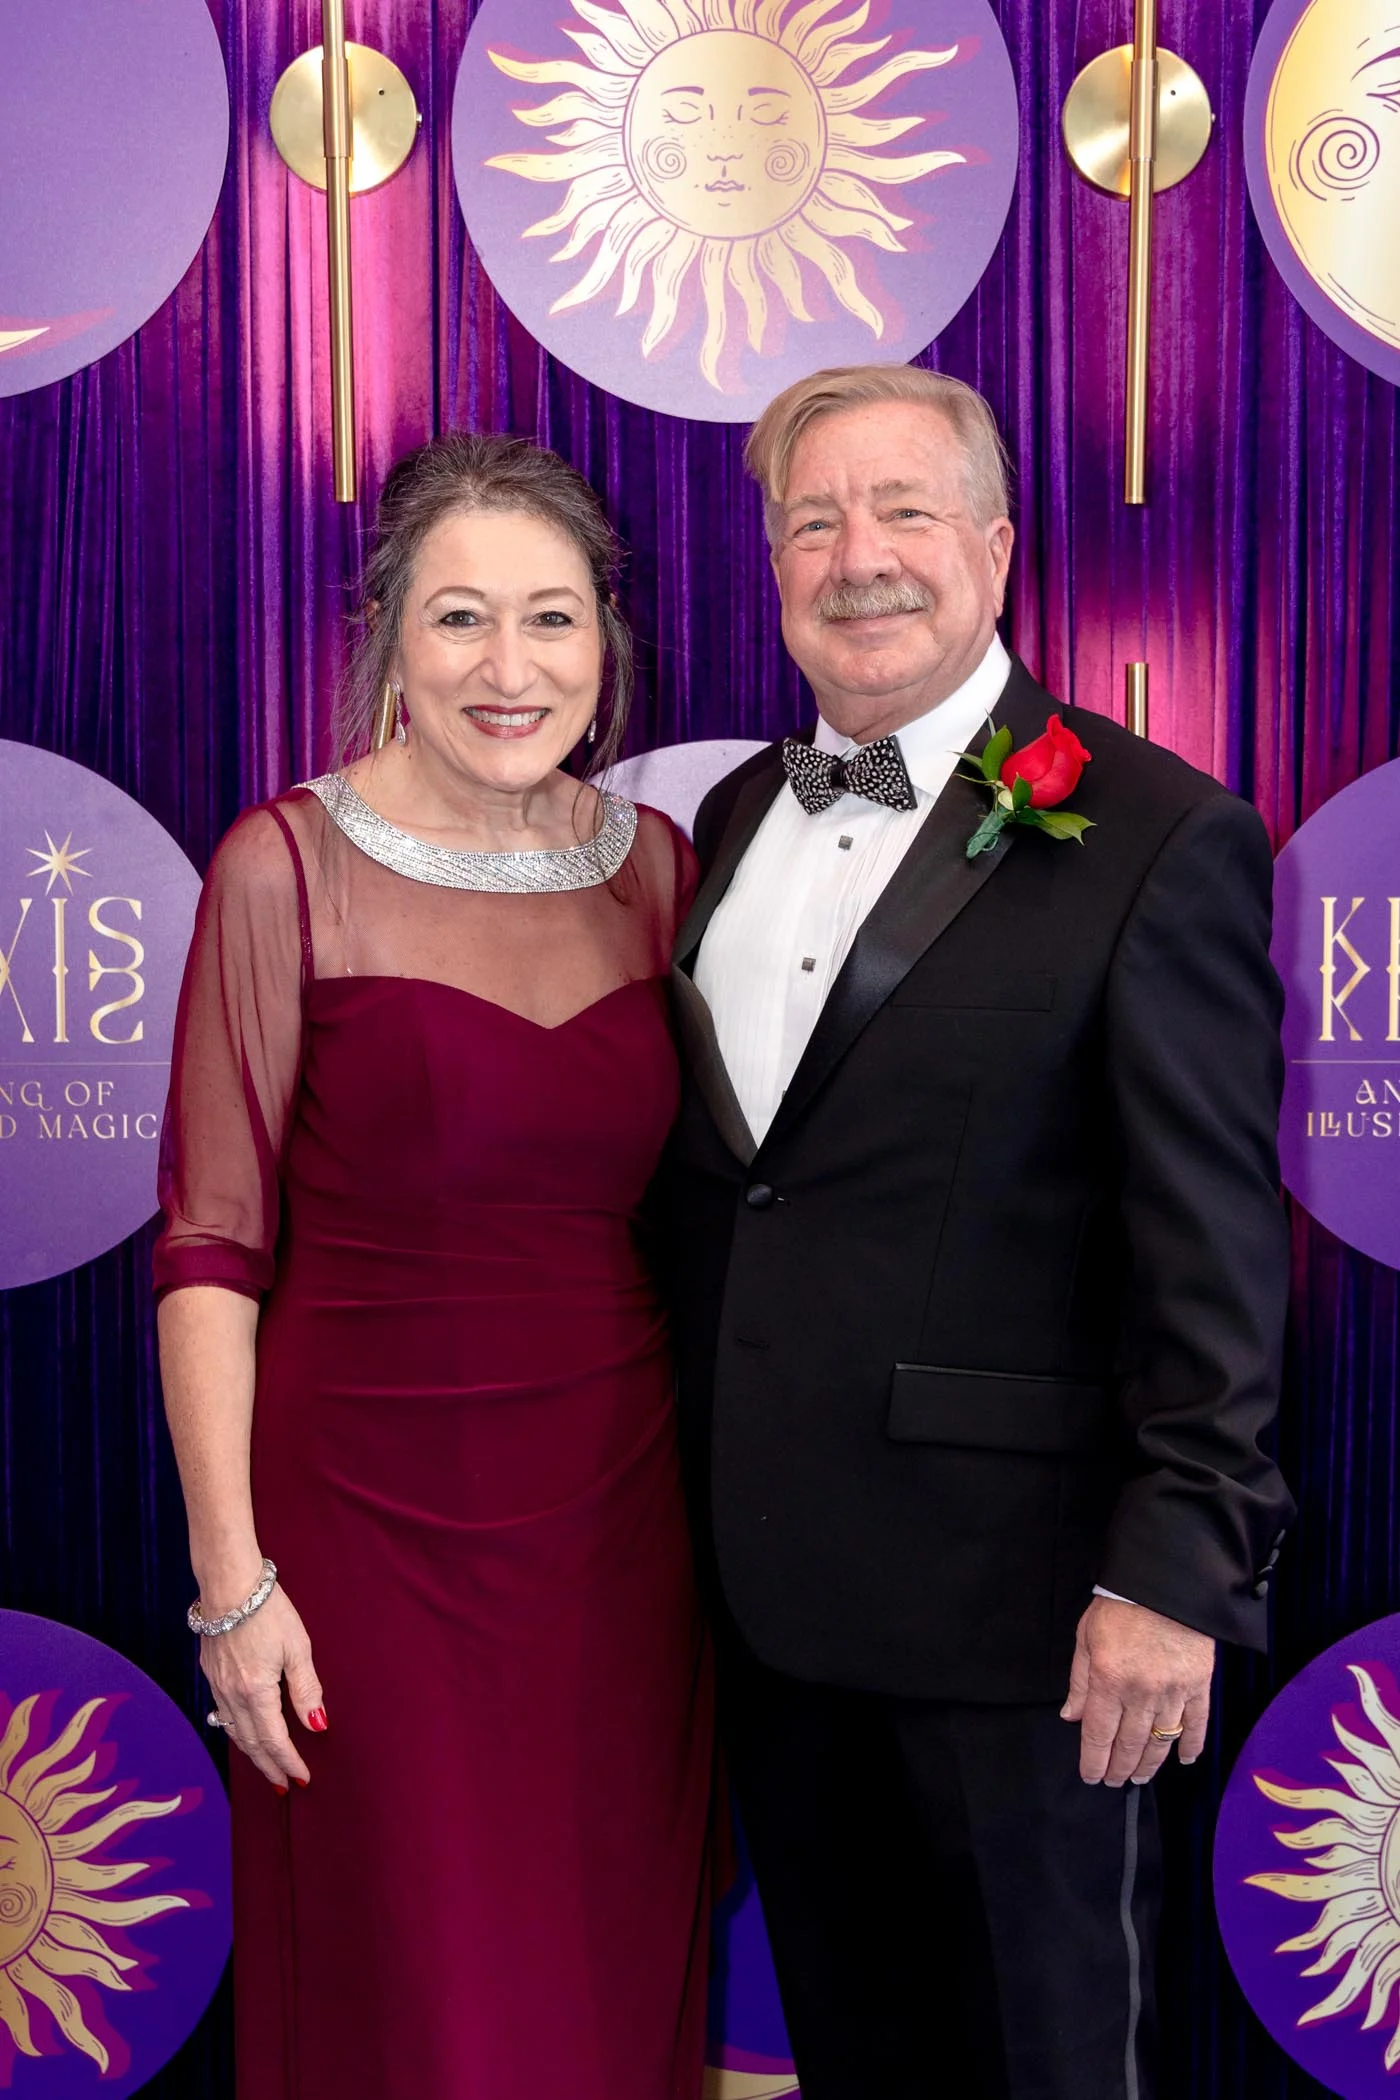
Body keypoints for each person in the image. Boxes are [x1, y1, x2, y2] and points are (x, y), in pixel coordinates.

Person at [662, 364, 1293, 2099]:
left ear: (998, 549)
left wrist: (1170, 1575)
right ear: (773, 565)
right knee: (857, 2056)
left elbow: (1215, 1259)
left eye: (904, 510)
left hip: (1029, 1628)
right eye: (813, 521)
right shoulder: (733, 818)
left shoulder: (1159, 835)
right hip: (768, 1606)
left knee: (1045, 2065)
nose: (858, 556)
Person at [155, 433, 713, 2100]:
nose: (508, 667)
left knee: (601, 1996)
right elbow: (209, 1249)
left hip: (621, 1539)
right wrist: (234, 1586)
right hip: (360, 1547)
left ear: (605, 643)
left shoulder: (658, 870)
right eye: (460, 618)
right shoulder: (284, 867)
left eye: (551, 618)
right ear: (390, 637)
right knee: (417, 2012)